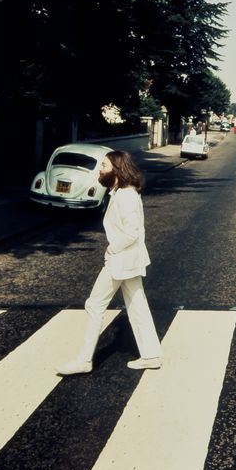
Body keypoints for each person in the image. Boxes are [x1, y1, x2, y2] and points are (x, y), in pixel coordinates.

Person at [56, 150, 161, 375]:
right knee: (137, 305)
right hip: (128, 260)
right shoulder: (121, 192)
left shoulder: (126, 196)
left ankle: (84, 360)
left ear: (116, 168)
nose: (100, 169)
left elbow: (132, 232)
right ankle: (151, 354)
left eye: (103, 165)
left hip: (120, 261)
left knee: (95, 305)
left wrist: (112, 249)